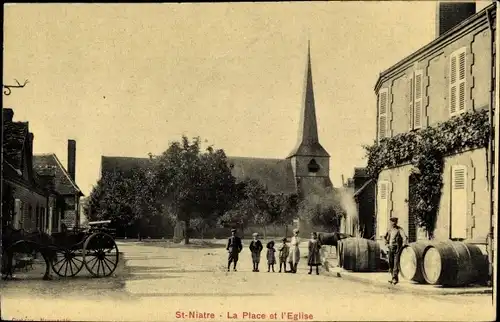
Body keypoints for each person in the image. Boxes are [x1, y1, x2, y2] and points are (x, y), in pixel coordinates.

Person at [384, 217, 408, 285]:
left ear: (396, 222)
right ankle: (393, 277)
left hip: (397, 249)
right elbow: (385, 237)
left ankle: (395, 278)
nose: (393, 223)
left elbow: (404, 237)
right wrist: (386, 244)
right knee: (390, 263)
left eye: (394, 221)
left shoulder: (399, 229)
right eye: (392, 221)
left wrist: (404, 243)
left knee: (395, 263)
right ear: (390, 222)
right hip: (390, 248)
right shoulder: (389, 230)